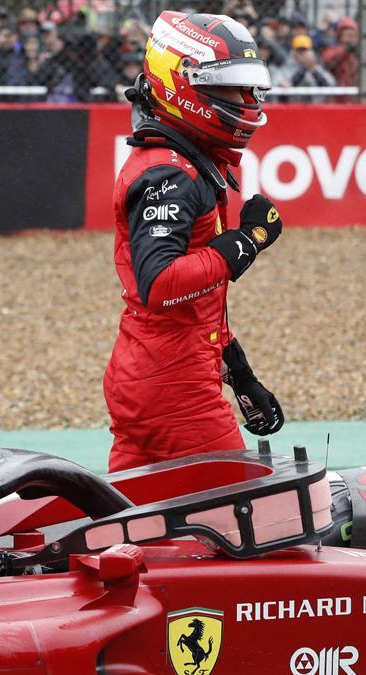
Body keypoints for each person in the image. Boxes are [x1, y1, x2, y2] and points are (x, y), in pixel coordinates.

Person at [107, 11, 284, 472]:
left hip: (158, 373)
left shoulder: (188, 161)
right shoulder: (169, 173)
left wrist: (240, 375)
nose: (245, 100)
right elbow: (162, 284)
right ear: (182, 83)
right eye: (228, 87)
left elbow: (199, 306)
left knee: (125, 529)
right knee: (248, 522)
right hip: (174, 389)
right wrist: (245, 243)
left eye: (248, 88)